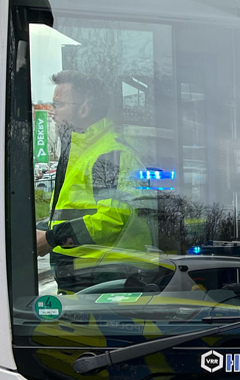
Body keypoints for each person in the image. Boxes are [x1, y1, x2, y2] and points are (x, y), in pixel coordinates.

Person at [36, 70, 153, 292]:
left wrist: (51, 238)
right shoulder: (81, 152)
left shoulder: (108, 155)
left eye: (58, 104)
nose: (51, 112)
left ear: (83, 109)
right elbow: (74, 212)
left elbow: (112, 220)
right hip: (85, 279)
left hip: (108, 283)